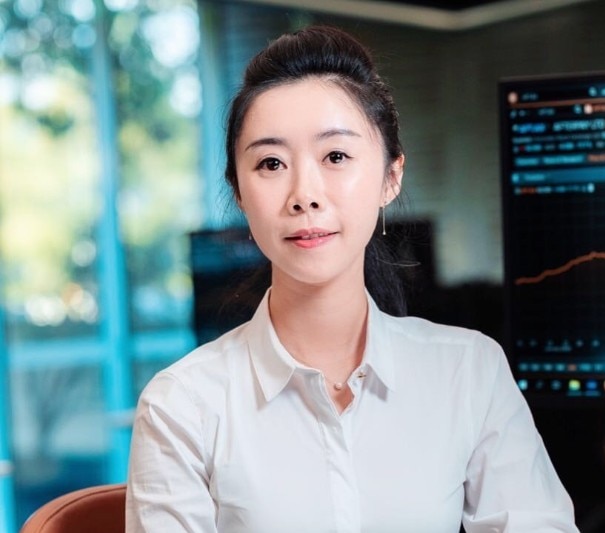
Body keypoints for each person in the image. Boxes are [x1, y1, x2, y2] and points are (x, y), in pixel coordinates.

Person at [125, 25, 578, 533]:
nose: (305, 194)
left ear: (391, 176)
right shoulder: (181, 406)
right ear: (239, 195)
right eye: (271, 163)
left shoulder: (469, 371)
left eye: (335, 156)